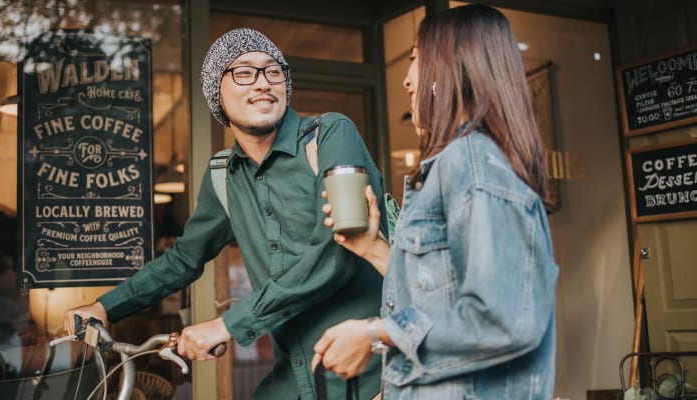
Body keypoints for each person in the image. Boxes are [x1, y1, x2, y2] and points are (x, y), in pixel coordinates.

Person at [63, 28, 387, 399]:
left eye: (273, 71)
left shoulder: (329, 135)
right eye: (244, 72)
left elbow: (337, 252)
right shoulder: (222, 174)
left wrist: (227, 326)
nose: (263, 83)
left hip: (370, 373)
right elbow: (184, 259)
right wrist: (105, 306)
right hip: (293, 375)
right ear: (216, 93)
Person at [311, 4, 559, 399]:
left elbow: (506, 319)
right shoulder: (461, 163)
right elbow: (445, 298)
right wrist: (375, 249)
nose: (408, 81)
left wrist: (374, 333)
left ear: (446, 71)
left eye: (416, 60)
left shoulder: (471, 161)